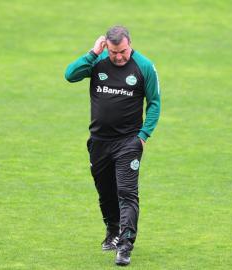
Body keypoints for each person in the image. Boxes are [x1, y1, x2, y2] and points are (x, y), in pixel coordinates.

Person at [64, 25, 161, 266]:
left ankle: (126, 245)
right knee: (105, 191)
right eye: (114, 51)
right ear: (106, 46)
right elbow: (69, 75)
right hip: (98, 142)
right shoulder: (97, 62)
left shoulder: (144, 66)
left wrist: (143, 135)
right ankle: (113, 231)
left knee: (126, 193)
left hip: (128, 142)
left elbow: (155, 103)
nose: (119, 56)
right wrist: (92, 53)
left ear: (130, 44)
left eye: (123, 51)